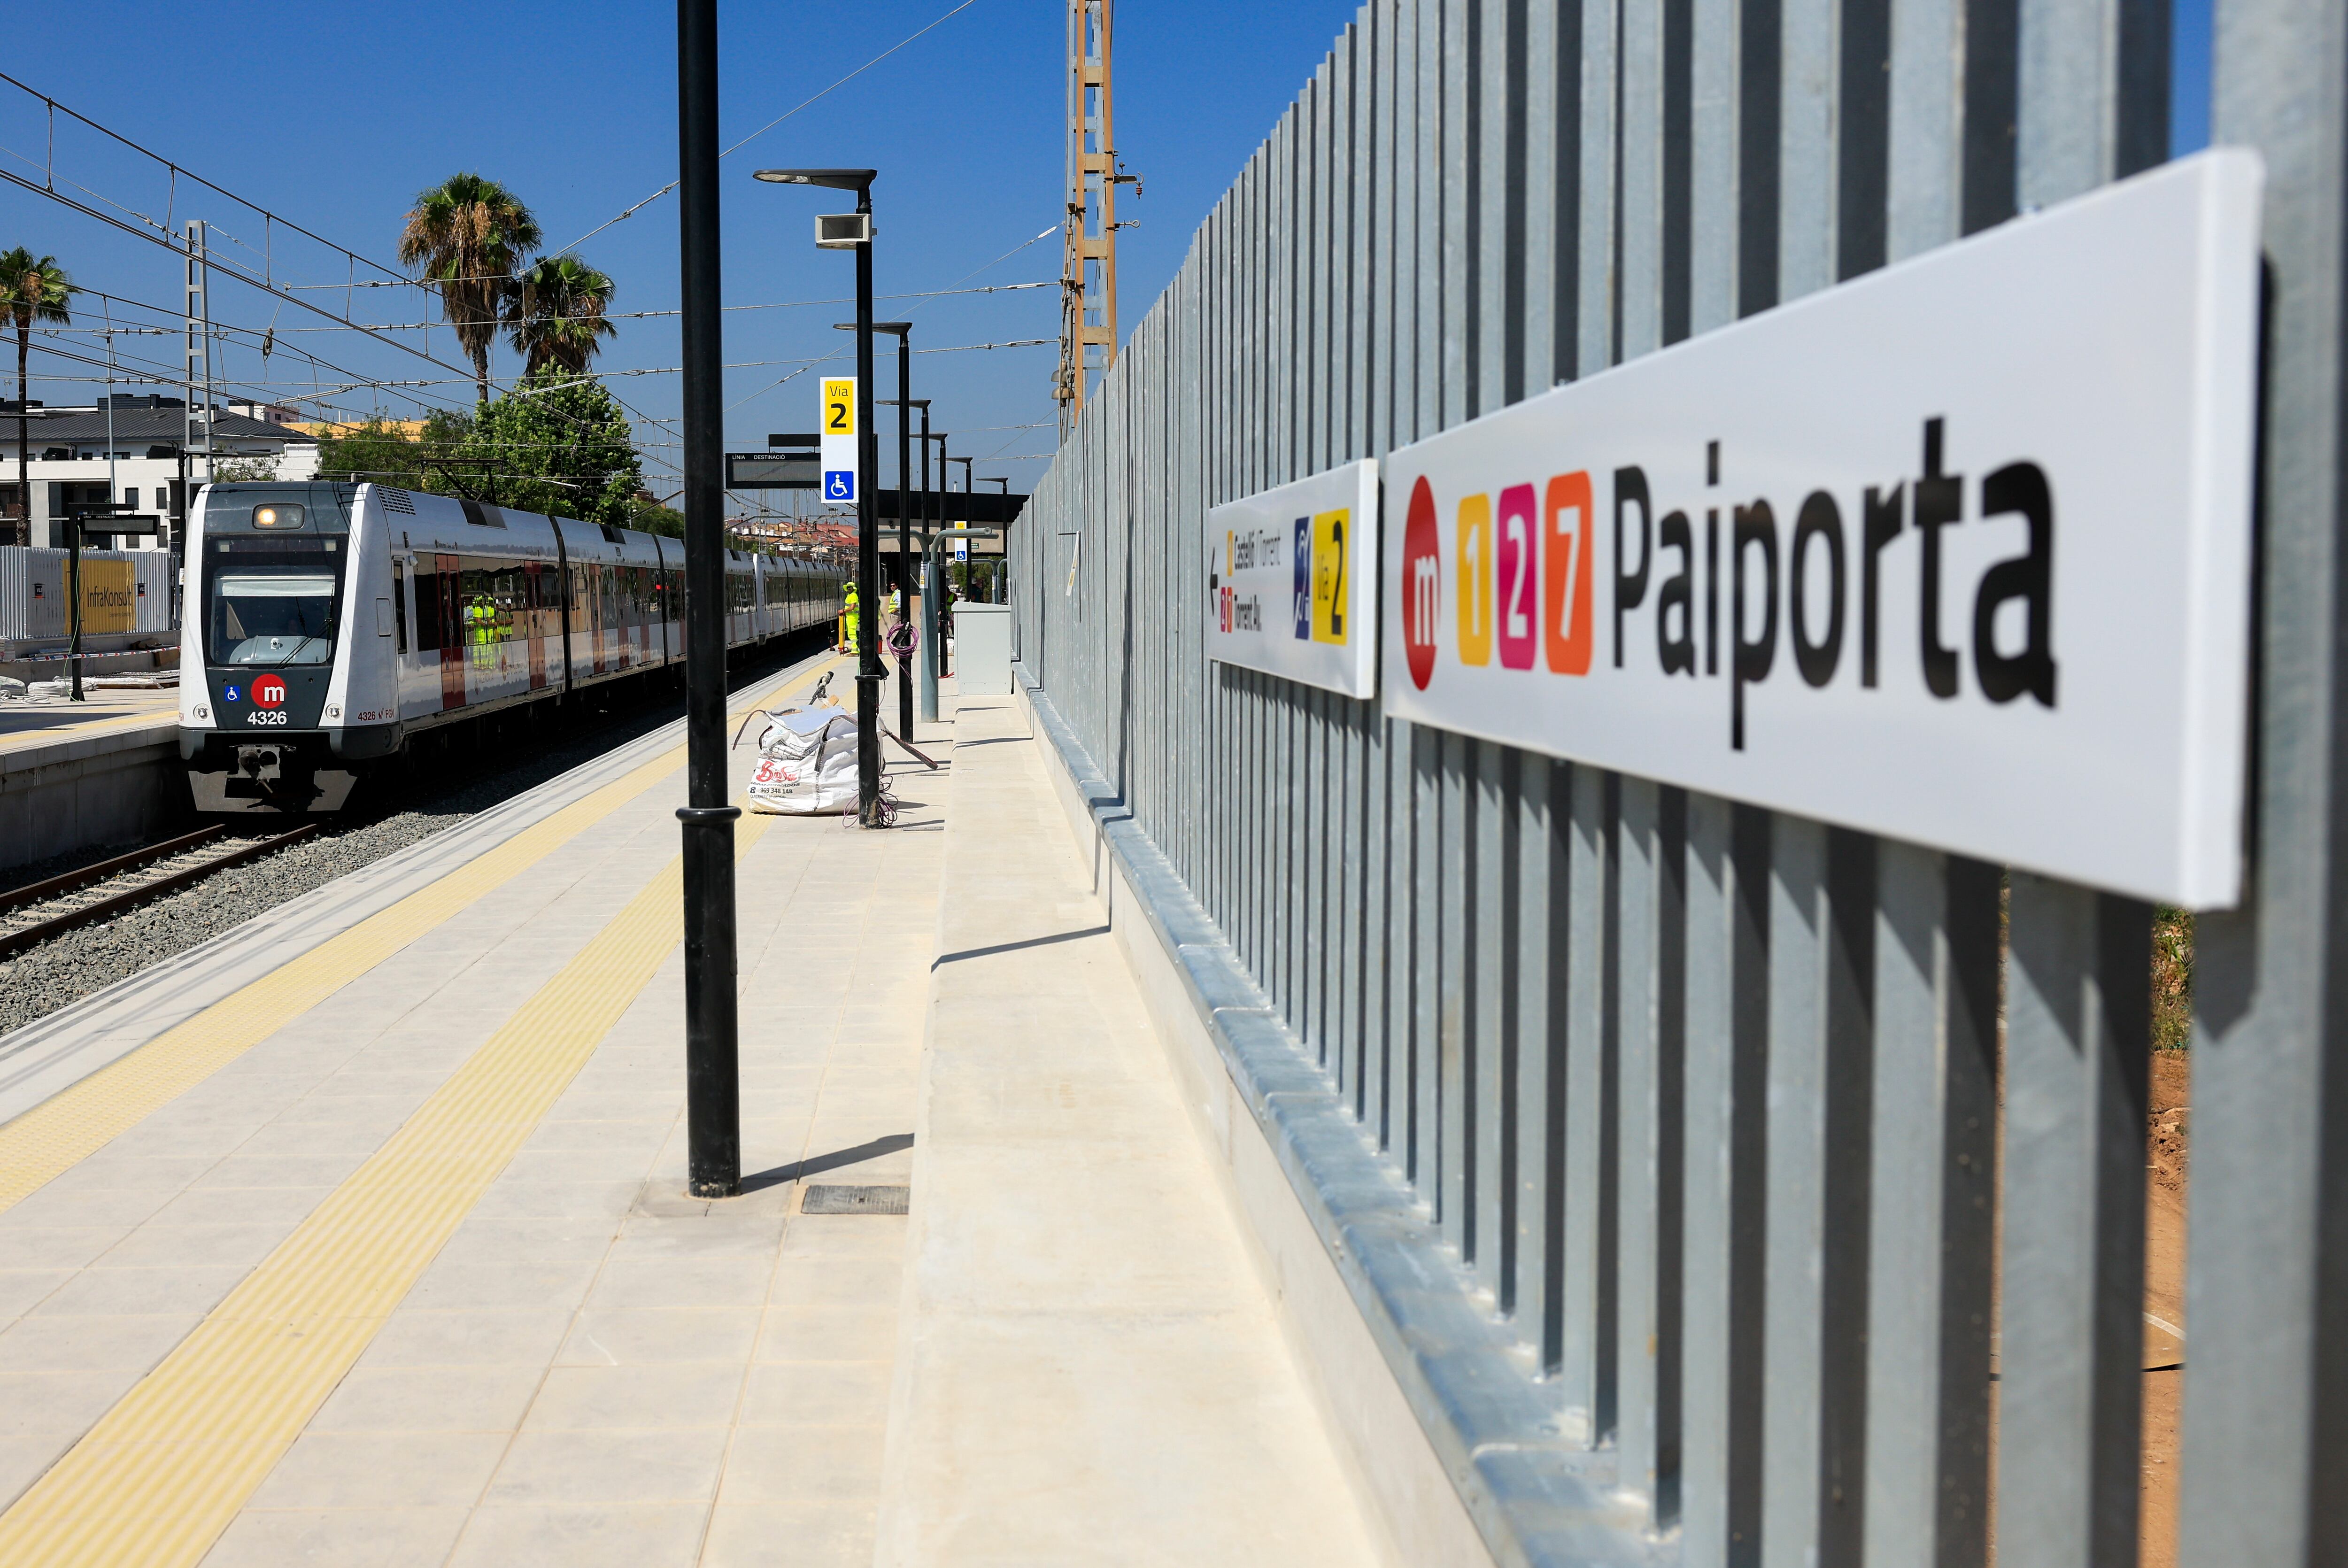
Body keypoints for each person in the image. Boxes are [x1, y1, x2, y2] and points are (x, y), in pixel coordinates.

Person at [840, 581, 859, 654]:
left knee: (852, 634)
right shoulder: (850, 595)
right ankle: (856, 649)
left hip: (852, 618)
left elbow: (852, 608)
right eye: (848, 587)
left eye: (850, 587)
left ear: (853, 588)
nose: (848, 589)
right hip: (850, 617)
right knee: (851, 634)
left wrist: (843, 611)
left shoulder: (854, 595)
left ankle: (855, 651)